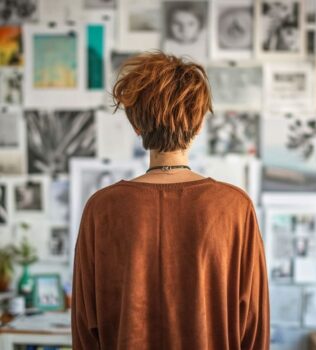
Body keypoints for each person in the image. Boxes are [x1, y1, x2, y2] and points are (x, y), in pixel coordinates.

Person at [71, 50, 270, 349]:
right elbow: (253, 325)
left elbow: (86, 329)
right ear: (200, 124)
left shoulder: (102, 208)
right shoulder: (235, 207)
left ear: (136, 126)